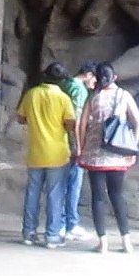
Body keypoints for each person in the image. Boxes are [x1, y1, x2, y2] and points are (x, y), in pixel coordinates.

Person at [77, 62, 139, 254]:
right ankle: (126, 241)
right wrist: (133, 147)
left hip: (95, 155)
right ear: (114, 77)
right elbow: (137, 121)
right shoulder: (124, 95)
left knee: (98, 198)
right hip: (118, 154)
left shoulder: (94, 97)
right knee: (117, 196)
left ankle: (103, 242)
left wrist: (81, 147)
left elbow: (81, 125)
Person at [16, 62, 77, 248]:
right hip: (58, 154)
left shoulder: (31, 94)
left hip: (35, 152)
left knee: (33, 193)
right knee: (54, 195)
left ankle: (28, 232)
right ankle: (52, 236)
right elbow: (70, 124)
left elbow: (20, 118)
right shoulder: (63, 98)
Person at [58, 62, 96, 241]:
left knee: (61, 185)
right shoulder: (79, 90)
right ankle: (70, 224)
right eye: (94, 78)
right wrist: (79, 146)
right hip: (72, 143)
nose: (94, 82)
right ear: (88, 74)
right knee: (74, 184)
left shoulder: (64, 84)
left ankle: (60, 223)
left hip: (58, 141)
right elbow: (76, 121)